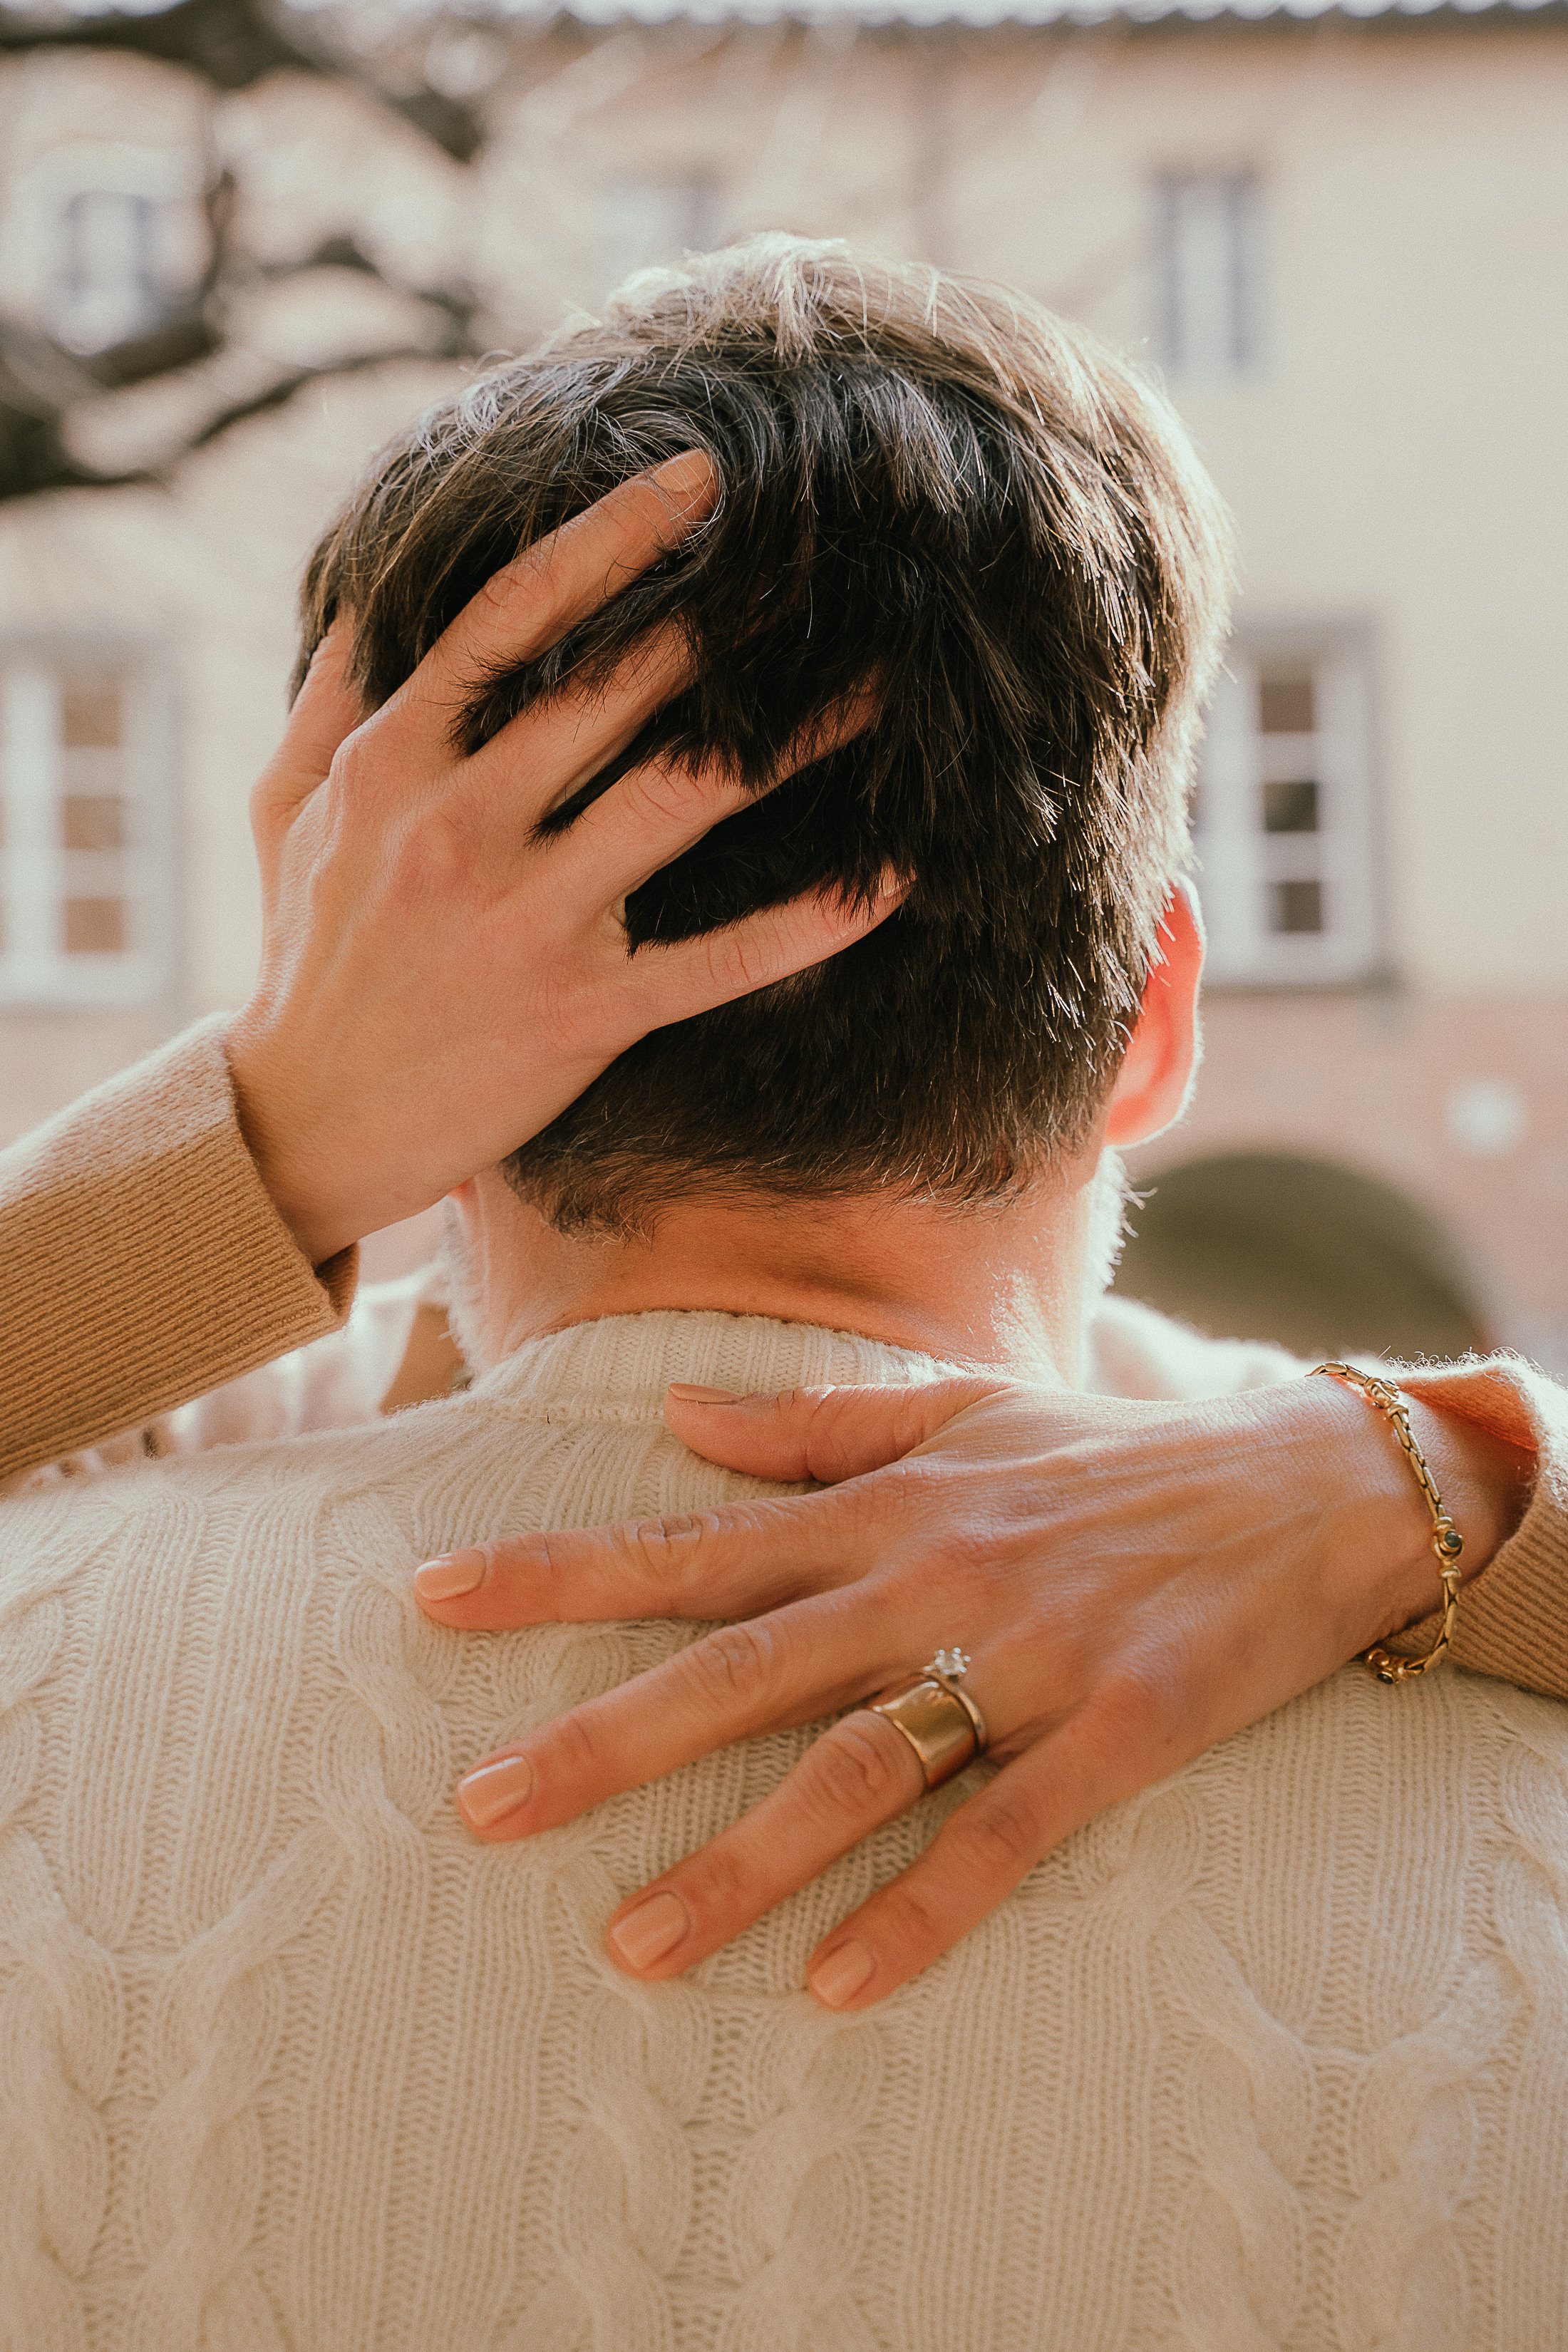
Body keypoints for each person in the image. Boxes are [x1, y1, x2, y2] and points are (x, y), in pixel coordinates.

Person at [3, 238, 1564, 2346]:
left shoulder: (67, 1570)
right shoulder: (1452, 1661)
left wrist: (273, 1125)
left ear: (370, 969)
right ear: (1156, 1015)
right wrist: (1458, 1476)